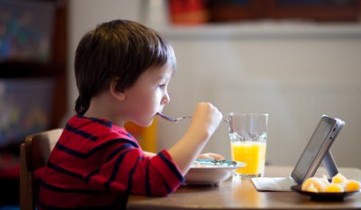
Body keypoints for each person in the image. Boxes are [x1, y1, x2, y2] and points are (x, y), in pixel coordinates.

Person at [37, 19, 223, 209]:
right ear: (119, 88)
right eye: (160, 85)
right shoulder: (101, 143)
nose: (166, 98)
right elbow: (158, 180)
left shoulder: (85, 129)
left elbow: (136, 162)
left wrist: (194, 161)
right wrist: (202, 130)